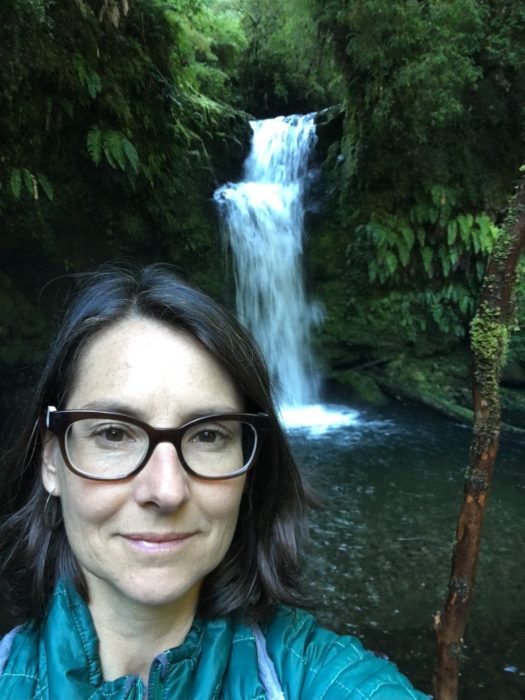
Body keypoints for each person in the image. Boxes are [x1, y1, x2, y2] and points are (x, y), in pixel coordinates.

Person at [0, 265, 428, 699]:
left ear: (249, 463)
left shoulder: (315, 677)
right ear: (51, 460)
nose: (166, 491)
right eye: (114, 433)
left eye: (208, 435)